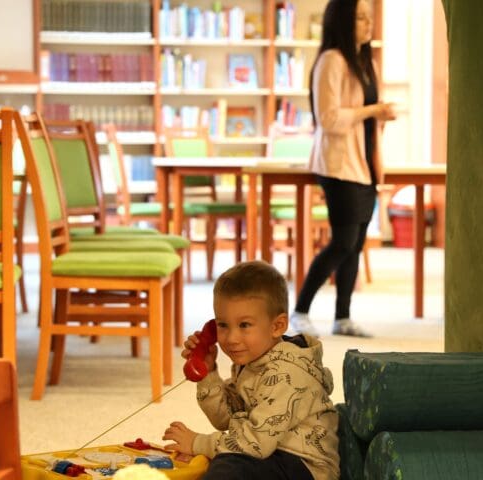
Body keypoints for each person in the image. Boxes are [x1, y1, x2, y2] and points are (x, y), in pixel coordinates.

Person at [162, 261, 339, 480]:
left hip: (304, 467)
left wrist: (198, 443)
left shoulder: (287, 374)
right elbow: (225, 419)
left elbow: (255, 443)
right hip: (269, 455)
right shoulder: (252, 362)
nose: (231, 338)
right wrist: (208, 373)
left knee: (228, 465)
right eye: (222, 325)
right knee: (219, 461)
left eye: (244, 325)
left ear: (277, 326)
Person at [289, 0, 396, 338]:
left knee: (356, 244)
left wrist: (381, 115)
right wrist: (372, 111)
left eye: (369, 17)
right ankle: (300, 310)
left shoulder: (367, 63)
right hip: (339, 165)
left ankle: (343, 317)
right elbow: (329, 119)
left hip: (365, 164)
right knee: (343, 242)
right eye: (360, 18)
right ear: (343, 22)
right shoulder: (331, 61)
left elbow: (367, 118)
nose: (368, 24)